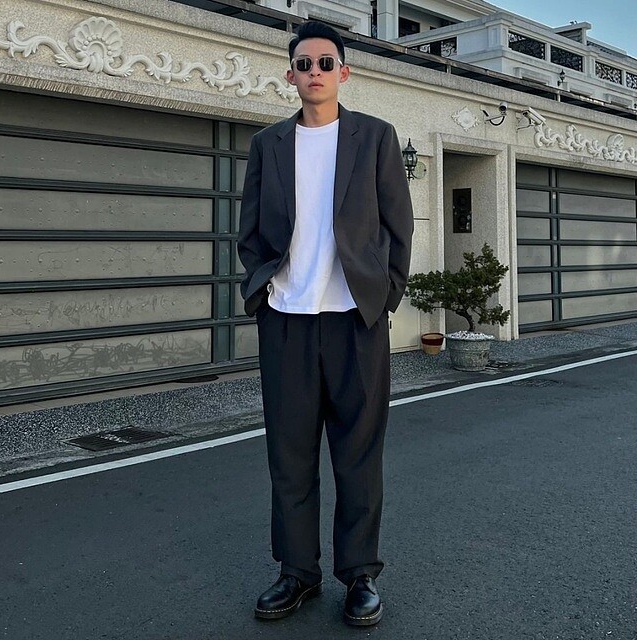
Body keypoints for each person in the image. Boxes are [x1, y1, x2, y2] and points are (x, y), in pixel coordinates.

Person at [237, 20, 413, 627]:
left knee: (358, 455)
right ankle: (297, 572)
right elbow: (250, 232)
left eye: (325, 63)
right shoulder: (267, 144)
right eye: (304, 64)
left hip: (353, 321)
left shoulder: (376, 138)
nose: (314, 72)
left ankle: (359, 574)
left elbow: (397, 226)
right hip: (286, 319)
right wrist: (265, 288)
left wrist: (384, 296)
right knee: (289, 456)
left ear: (344, 72)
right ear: (290, 76)